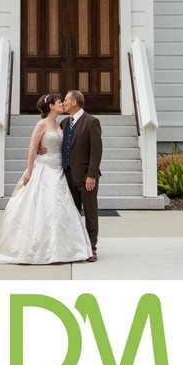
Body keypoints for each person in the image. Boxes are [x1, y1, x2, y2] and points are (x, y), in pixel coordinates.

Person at [0, 92, 93, 265]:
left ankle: (63, 248)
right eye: (60, 102)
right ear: (51, 106)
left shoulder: (62, 124)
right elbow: (32, 146)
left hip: (59, 170)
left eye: (64, 101)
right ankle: (41, 249)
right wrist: (30, 170)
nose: (63, 104)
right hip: (44, 169)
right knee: (45, 209)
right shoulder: (42, 124)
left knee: (60, 209)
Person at [61, 89, 102, 261]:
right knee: (72, 212)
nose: (63, 103)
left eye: (65, 100)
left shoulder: (91, 122)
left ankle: (92, 248)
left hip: (86, 177)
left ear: (74, 103)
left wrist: (91, 175)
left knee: (90, 212)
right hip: (67, 175)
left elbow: (96, 150)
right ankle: (76, 246)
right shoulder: (63, 123)